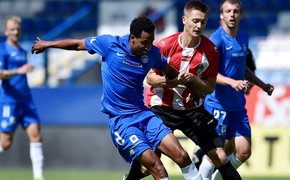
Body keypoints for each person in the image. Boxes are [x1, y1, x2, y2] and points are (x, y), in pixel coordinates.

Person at [31, 16, 203, 180]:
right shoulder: (109, 45)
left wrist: (189, 86)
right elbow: (77, 44)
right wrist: (47, 44)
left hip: (144, 114)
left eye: (151, 42)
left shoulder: (153, 53)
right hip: (122, 122)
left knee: (181, 156)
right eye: (144, 42)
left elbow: (171, 74)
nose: (148, 46)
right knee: (157, 167)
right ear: (133, 37)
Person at [124, 1, 242, 180]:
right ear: (184, 20)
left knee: (220, 157)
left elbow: (209, 87)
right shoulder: (164, 45)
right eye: (195, 21)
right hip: (162, 109)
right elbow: (149, 78)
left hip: (192, 111)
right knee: (147, 166)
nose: (199, 26)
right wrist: (169, 81)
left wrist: (193, 79)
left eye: (202, 22)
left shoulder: (210, 50)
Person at [197, 0, 274, 179]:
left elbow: (242, 68)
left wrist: (262, 85)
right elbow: (208, 73)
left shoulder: (243, 37)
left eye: (236, 11)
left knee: (244, 151)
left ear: (241, 15)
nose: (232, 14)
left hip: (238, 107)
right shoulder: (216, 40)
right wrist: (232, 82)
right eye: (228, 11)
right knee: (216, 153)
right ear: (222, 15)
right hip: (218, 105)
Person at [0, 16, 45, 180]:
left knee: (36, 135)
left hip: (26, 101)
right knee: (5, 143)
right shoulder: (3, 50)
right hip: (9, 101)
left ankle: (39, 177)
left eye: (18, 29)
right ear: (6, 31)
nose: (16, 32)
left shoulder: (22, 51)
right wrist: (18, 71)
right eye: (12, 29)